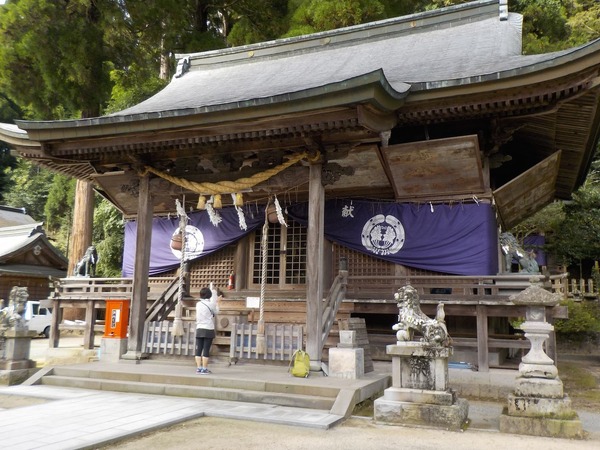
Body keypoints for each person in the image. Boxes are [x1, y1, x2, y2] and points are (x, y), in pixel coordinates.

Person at [195, 285, 221, 374]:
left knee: (199, 349)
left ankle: (199, 368)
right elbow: (216, 312)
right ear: (209, 295)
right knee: (206, 349)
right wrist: (217, 302)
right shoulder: (211, 304)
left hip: (199, 327)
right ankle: (204, 368)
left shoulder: (198, 304)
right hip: (208, 328)